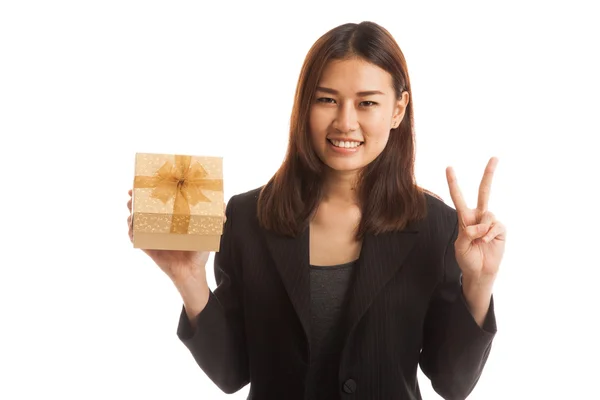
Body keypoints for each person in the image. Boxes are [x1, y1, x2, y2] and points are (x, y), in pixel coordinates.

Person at [127, 21, 505, 400]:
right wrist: (189, 277)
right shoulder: (245, 218)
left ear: (397, 109)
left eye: (367, 103)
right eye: (326, 99)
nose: (345, 122)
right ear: (304, 104)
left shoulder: (437, 227)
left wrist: (479, 283)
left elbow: (452, 384)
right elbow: (233, 372)